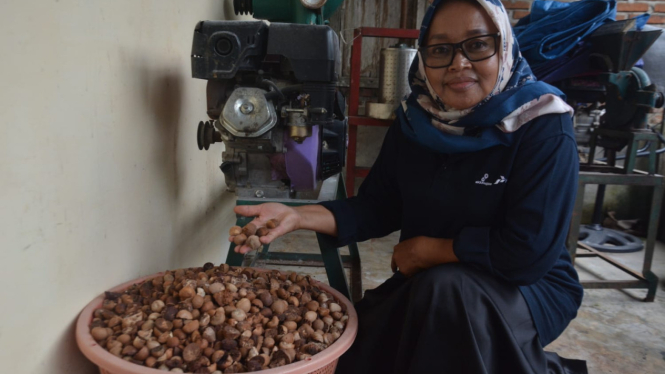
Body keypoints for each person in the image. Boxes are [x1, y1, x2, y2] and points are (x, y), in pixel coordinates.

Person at [230, 0, 587, 372]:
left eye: (478, 45)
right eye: (440, 49)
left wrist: (429, 251)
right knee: (358, 348)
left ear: (504, 48)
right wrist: (296, 216)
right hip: (434, 283)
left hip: (528, 287)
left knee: (446, 305)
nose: (458, 64)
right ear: (424, 57)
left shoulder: (541, 125)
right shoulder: (416, 121)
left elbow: (527, 252)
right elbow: (377, 206)